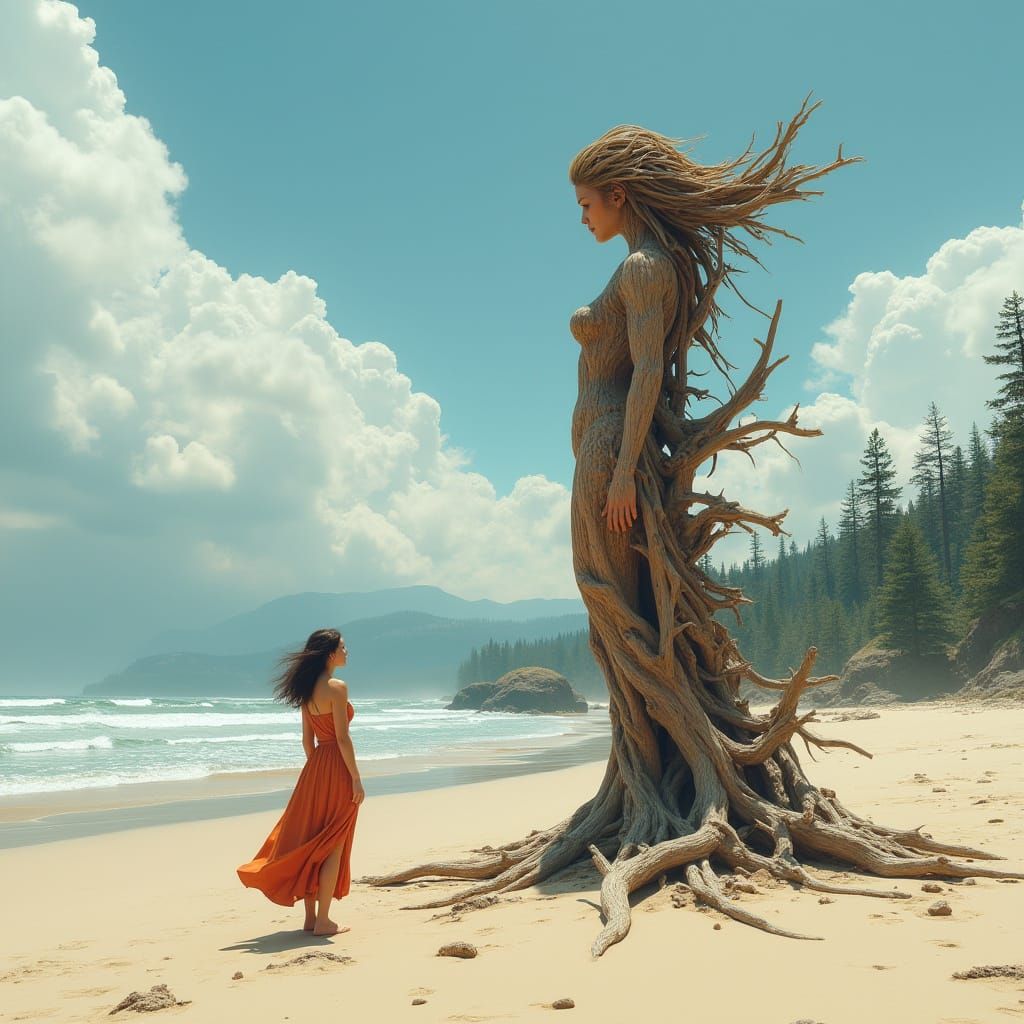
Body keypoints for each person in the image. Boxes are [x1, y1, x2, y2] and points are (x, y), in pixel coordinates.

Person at [237, 628, 364, 937]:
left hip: (315, 768)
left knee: (312, 838)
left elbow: (308, 741)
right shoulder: (337, 688)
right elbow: (343, 739)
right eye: (343, 647)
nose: (348, 652)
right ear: (330, 653)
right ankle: (324, 920)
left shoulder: (306, 691)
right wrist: (355, 778)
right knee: (332, 841)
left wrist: (316, 774)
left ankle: (310, 919)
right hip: (336, 766)